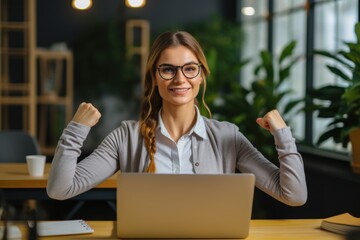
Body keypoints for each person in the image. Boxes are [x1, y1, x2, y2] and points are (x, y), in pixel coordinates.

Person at [46, 31, 307, 206]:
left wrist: (283, 136)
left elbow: (293, 195)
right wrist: (76, 129)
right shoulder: (126, 136)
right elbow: (60, 189)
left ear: (201, 75)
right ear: (154, 77)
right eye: (168, 69)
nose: (180, 79)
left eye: (190, 69)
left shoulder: (228, 136)